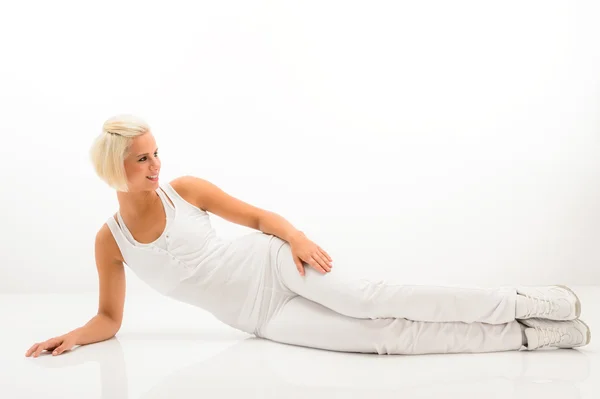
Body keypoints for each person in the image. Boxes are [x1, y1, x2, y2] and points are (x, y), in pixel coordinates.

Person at [25, 114, 591, 358]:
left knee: (370, 299)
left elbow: (255, 218)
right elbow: (109, 318)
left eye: (155, 153)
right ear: (112, 169)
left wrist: (293, 238)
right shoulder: (111, 240)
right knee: (380, 340)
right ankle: (525, 336)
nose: (154, 165)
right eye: (141, 159)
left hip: (271, 263)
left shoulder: (185, 189)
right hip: (260, 318)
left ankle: (523, 300)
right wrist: (73, 336)